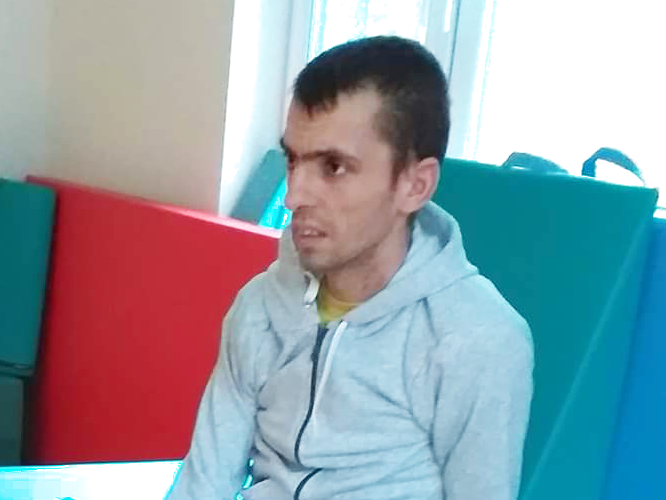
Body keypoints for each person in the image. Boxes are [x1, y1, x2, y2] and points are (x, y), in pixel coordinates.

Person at [167, 35, 533, 500]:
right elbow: (203, 486)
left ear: (415, 186)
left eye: (334, 167)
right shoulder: (259, 307)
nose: (294, 196)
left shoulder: (477, 339)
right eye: (293, 160)